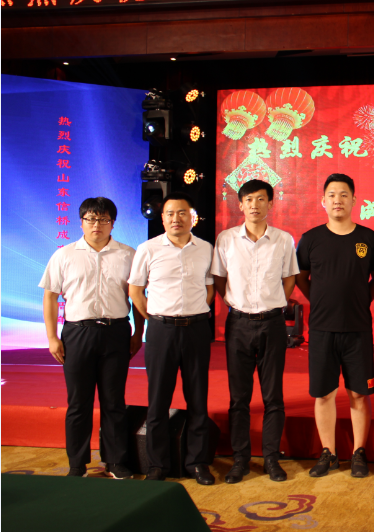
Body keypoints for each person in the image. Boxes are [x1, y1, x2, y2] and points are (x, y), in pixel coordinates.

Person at [39, 197, 143, 479]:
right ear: (81, 221)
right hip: (77, 333)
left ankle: (115, 461)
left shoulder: (128, 255)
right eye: (91, 219)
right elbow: (50, 297)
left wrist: (139, 332)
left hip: (116, 331)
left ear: (113, 223)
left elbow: (137, 297)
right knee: (78, 402)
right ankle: (77, 464)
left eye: (104, 219)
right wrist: (52, 337)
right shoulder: (64, 255)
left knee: (114, 401)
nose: (97, 224)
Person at [212, 179, 299, 484]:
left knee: (273, 395)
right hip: (238, 324)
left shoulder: (283, 240)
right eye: (248, 199)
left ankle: (272, 458)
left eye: (261, 199)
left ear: (270, 203)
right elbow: (219, 278)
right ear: (240, 204)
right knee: (239, 397)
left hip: (272, 323)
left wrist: (273, 304)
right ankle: (240, 459)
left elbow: (289, 279)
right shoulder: (226, 239)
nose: (254, 205)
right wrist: (234, 303)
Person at [296, 174, 374, 479]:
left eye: (344, 194)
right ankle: (328, 453)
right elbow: (301, 278)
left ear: (354, 200)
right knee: (324, 394)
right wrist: (319, 300)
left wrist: (361, 300)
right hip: (322, 329)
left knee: (359, 394)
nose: (338, 200)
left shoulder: (370, 239)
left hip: (358, 329)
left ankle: (359, 452)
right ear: (323, 201)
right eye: (332, 195)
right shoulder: (310, 239)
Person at [128, 192, 215, 484]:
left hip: (196, 330)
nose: (175, 218)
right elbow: (135, 290)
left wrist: (195, 311)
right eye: (169, 213)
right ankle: (157, 465)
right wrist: (154, 317)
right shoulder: (148, 249)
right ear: (162, 218)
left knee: (198, 397)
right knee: (158, 399)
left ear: (193, 217)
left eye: (181, 213)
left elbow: (209, 288)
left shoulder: (205, 248)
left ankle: (198, 462)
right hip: (161, 330)